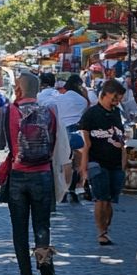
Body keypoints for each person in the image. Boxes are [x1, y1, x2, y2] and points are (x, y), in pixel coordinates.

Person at [0, 72, 70, 275]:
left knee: (19, 229)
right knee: (42, 225)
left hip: (17, 176)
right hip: (43, 174)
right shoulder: (50, 113)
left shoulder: (6, 112)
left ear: (17, 90)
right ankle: (44, 261)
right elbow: (56, 144)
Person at [78, 79, 127, 246]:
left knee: (111, 199)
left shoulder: (116, 113)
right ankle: (101, 232)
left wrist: (124, 162)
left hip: (115, 163)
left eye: (119, 98)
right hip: (96, 162)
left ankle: (106, 229)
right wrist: (83, 168)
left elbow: (121, 139)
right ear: (104, 94)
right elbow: (86, 144)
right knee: (101, 198)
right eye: (114, 98)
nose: (116, 101)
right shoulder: (90, 114)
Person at [47, 74, 91, 203]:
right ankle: (74, 189)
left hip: (62, 132)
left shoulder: (59, 99)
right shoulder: (82, 100)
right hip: (77, 132)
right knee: (77, 164)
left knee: (65, 162)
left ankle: (65, 190)